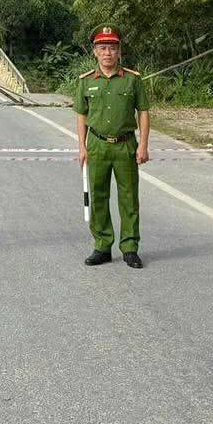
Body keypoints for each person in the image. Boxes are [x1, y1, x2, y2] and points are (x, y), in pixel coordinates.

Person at [73, 25, 150, 268]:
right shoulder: (86, 82)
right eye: (103, 48)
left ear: (119, 52)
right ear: (95, 52)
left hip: (125, 145)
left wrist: (144, 145)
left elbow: (144, 112)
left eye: (112, 48)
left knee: (129, 198)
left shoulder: (132, 80)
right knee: (98, 196)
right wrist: (82, 147)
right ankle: (102, 246)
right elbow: (81, 115)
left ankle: (129, 247)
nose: (108, 53)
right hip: (97, 145)